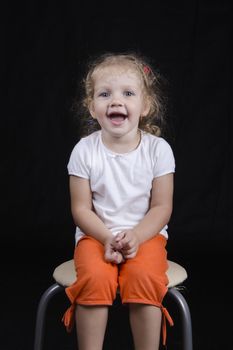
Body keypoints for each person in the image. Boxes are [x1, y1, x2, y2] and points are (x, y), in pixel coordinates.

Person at [62, 52, 175, 350]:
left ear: (146, 105)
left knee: (143, 275)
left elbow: (162, 207)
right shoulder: (84, 151)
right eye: (104, 94)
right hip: (96, 235)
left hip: (146, 235)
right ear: (92, 106)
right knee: (95, 277)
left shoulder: (158, 150)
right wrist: (106, 238)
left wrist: (136, 236)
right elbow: (80, 208)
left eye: (127, 93)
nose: (115, 101)